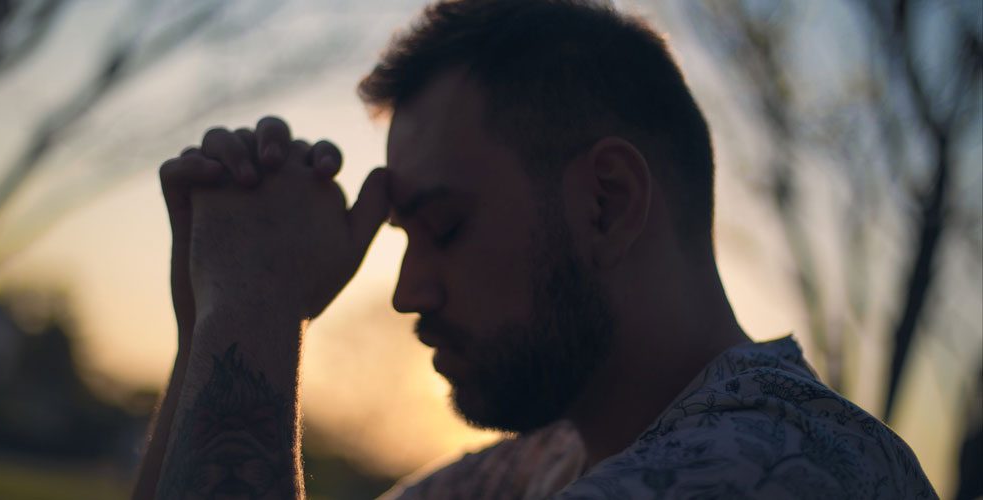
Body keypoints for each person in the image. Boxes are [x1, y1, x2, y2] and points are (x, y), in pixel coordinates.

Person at [133, 1, 937, 498]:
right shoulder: (540, 464)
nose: (408, 292)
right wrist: (209, 325)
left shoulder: (782, 469)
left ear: (606, 202)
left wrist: (254, 303)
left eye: (445, 228)